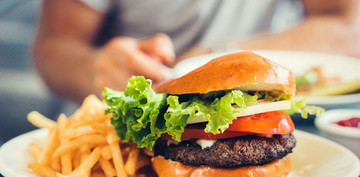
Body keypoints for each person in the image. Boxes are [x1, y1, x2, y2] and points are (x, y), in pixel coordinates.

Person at [33, 0, 360, 103]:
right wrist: (95, 69)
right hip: (136, 129)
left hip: (286, 119)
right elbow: (54, 42)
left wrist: (216, 59)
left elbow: (350, 26)